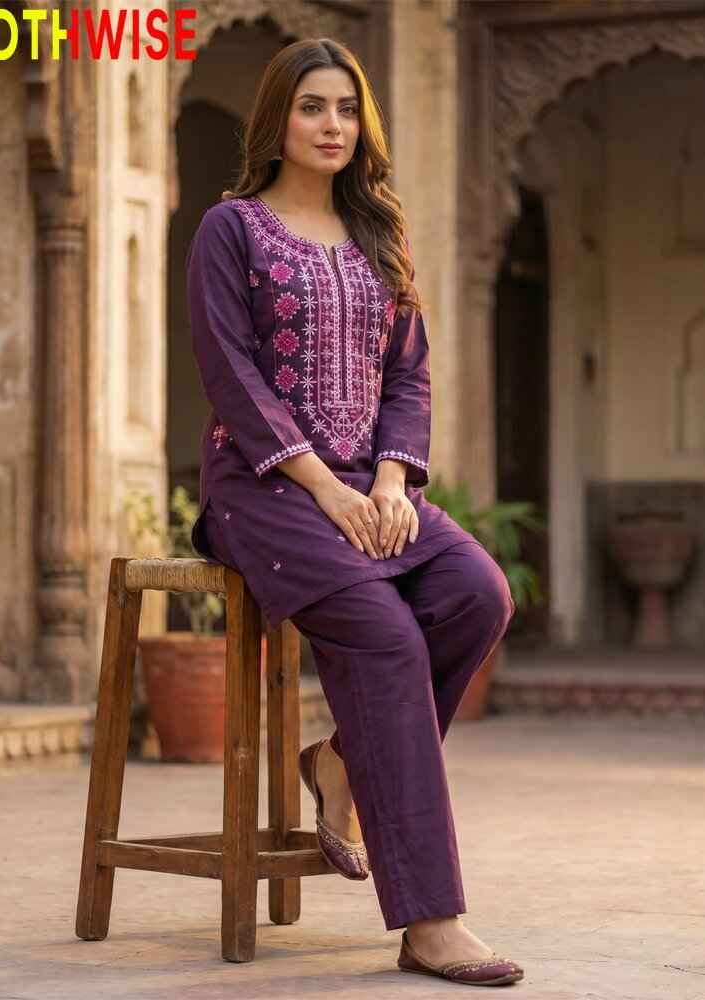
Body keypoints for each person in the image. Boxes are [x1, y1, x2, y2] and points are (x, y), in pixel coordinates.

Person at [185, 36, 524, 987]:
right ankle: (431, 920)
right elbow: (229, 371)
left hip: (368, 486)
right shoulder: (232, 229)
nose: (331, 126)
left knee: (475, 593)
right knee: (385, 638)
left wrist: (386, 482)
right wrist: (324, 487)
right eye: (311, 108)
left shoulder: (380, 230)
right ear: (278, 122)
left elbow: (407, 373)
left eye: (345, 109)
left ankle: (338, 763)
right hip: (265, 490)